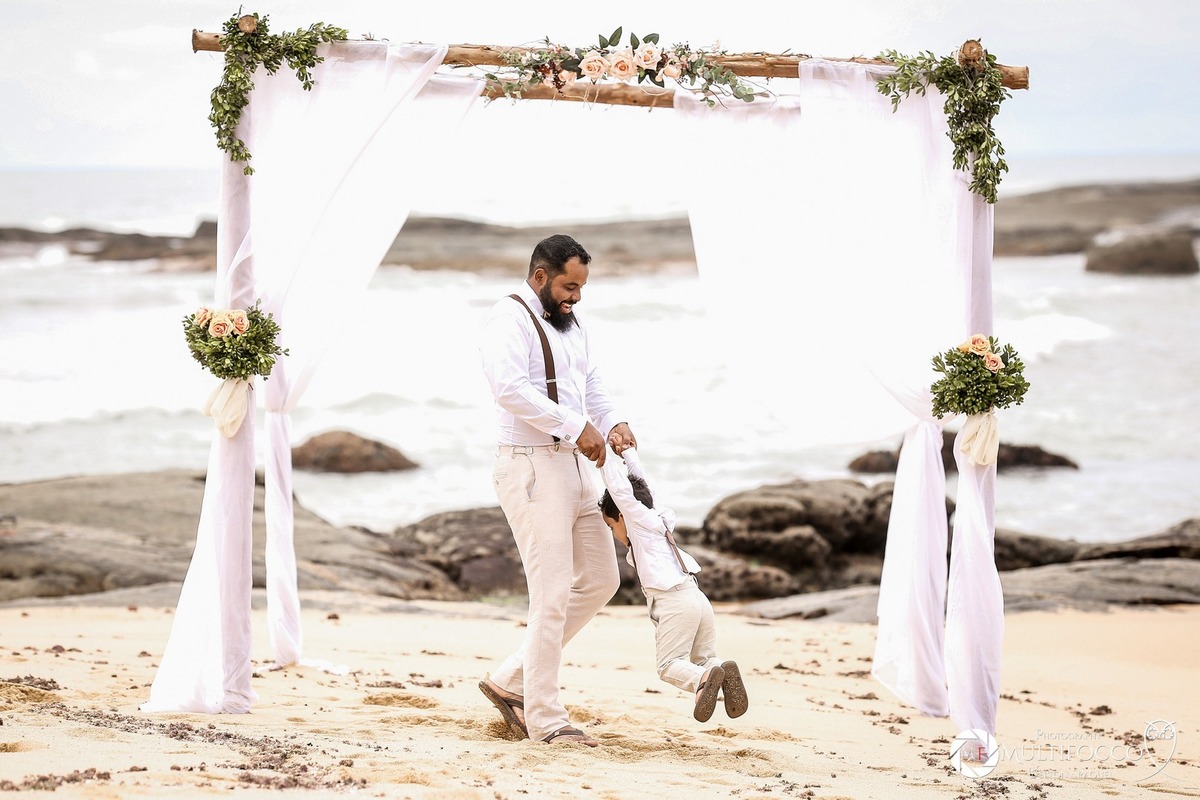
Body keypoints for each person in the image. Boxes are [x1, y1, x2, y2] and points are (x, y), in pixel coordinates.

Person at [477, 234, 637, 747]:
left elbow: (589, 383)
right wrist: (574, 425)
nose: (576, 298)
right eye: (569, 287)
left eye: (582, 288)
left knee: (600, 578)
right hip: (528, 467)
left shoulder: (573, 322)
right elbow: (508, 388)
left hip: (571, 467)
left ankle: (509, 680)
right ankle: (544, 719)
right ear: (541, 276)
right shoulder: (508, 319)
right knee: (549, 595)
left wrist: (612, 422)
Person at [599, 445, 748, 723]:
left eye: (611, 526)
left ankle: (703, 680)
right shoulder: (659, 518)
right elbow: (646, 488)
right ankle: (720, 672)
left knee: (669, 665)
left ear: (622, 516)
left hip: (674, 602)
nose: (615, 534)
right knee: (705, 657)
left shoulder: (637, 526)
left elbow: (621, 492)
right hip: (697, 597)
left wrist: (603, 457)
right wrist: (629, 454)